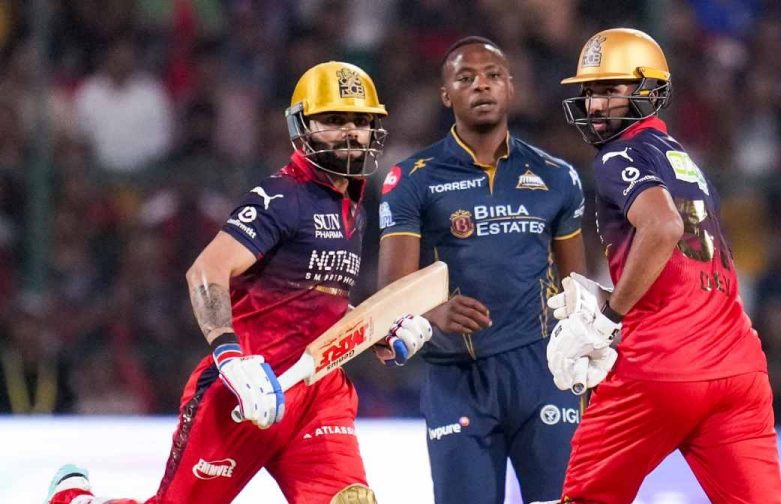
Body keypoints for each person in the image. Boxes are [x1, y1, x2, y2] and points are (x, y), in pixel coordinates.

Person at [45, 61, 433, 504]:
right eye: (333, 120)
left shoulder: (354, 204)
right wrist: (230, 358)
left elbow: (318, 304)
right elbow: (206, 271)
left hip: (319, 394)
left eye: (361, 121)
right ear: (302, 127)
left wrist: (380, 330)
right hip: (249, 388)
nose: (350, 132)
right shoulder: (280, 198)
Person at [545, 28, 781, 503]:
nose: (595, 104)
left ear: (647, 89)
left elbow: (663, 227)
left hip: (661, 364)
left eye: (610, 90)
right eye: (590, 91)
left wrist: (608, 317)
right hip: (739, 367)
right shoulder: (681, 157)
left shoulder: (620, 153)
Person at [377, 37, 587, 504]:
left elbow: (577, 290)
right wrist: (432, 313)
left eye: (493, 75)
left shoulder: (557, 176)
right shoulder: (412, 179)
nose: (481, 86)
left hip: (544, 374)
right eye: (465, 78)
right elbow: (390, 293)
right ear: (446, 95)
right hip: (458, 380)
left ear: (511, 87)